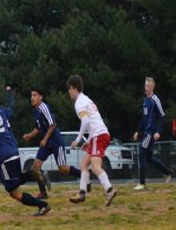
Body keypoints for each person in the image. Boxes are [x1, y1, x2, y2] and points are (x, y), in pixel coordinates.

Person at [0, 87, 48, 208]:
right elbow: (11, 106)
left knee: (13, 186)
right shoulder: (0, 112)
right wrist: (10, 93)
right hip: (10, 148)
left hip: (6, 150)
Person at [66, 75, 117, 205]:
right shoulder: (86, 99)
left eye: (70, 89)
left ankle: (110, 190)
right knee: (84, 164)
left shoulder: (79, 103)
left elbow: (85, 122)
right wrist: (89, 140)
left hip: (99, 135)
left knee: (95, 167)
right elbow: (92, 121)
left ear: (75, 88)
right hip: (99, 134)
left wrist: (77, 140)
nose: (69, 92)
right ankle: (82, 193)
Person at [22, 87, 82, 190]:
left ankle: (83, 176)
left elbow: (53, 124)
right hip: (47, 143)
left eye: (35, 95)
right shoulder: (36, 111)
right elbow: (38, 128)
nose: (32, 98)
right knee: (35, 167)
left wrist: (44, 139)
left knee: (62, 168)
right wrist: (29, 135)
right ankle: (43, 193)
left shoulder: (44, 108)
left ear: (41, 97)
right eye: (31, 95)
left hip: (55, 141)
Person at [132, 77, 173, 190]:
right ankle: (168, 172)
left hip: (150, 133)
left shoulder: (155, 100)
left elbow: (162, 117)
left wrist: (158, 132)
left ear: (153, 87)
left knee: (141, 152)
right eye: (145, 85)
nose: (146, 88)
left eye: (148, 86)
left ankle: (142, 184)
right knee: (149, 158)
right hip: (145, 132)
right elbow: (143, 119)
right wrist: (137, 131)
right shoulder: (145, 101)